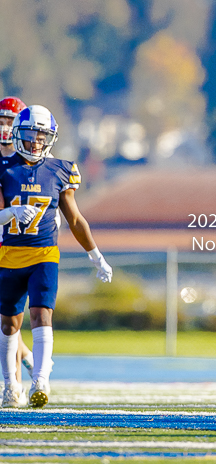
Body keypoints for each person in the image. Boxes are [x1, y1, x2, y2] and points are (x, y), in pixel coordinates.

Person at [0, 105, 113, 408]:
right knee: (9, 323)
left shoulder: (61, 169)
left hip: (44, 254)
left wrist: (96, 255)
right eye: (30, 135)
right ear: (18, 135)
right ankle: (11, 384)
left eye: (41, 136)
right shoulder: (4, 167)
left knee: (42, 314)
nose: (35, 142)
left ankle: (41, 381)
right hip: (9, 255)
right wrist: (9, 212)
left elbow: (75, 219)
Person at [0, 97, 34, 406]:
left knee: (10, 316)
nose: (4, 127)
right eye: (1, 120)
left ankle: (16, 385)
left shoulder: (26, 164)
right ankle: (29, 362)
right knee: (6, 319)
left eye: (10, 121)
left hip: (15, 249)